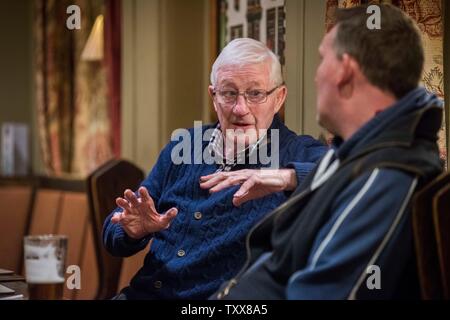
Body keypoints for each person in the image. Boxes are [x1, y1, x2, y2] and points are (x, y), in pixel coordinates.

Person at [208, 4, 443, 299]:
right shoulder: (353, 153)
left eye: (322, 60)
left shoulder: (382, 177)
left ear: (345, 72)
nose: (316, 77)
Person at [102, 38, 327, 299]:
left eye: (255, 94)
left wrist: (287, 177)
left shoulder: (296, 151)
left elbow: (351, 170)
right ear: (214, 96)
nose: (240, 109)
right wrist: (132, 230)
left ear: (279, 98)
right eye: (229, 93)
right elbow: (114, 232)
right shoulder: (184, 146)